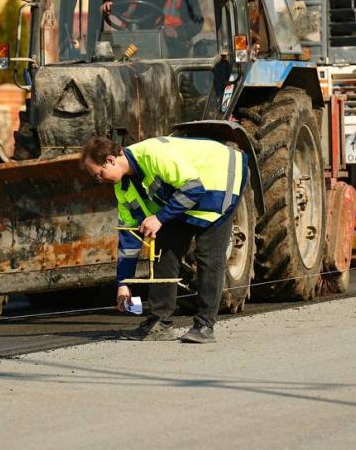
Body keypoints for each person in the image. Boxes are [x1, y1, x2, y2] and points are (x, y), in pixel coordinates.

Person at [80, 134, 248, 343]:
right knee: (164, 248)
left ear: (110, 160)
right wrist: (123, 283)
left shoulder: (154, 154)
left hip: (221, 178)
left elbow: (194, 188)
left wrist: (160, 218)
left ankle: (205, 325)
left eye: (99, 174)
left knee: (208, 254)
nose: (99, 180)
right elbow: (128, 236)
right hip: (187, 193)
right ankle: (160, 323)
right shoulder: (122, 188)